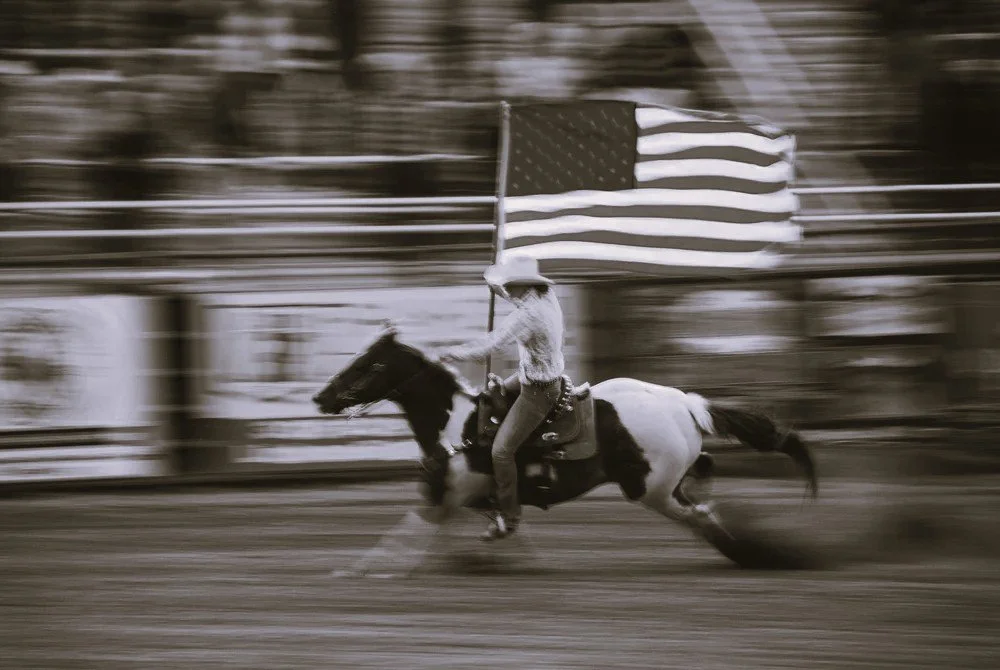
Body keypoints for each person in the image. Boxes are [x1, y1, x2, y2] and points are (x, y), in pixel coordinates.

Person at [438, 255, 566, 541]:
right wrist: (494, 283)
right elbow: (508, 295)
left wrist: (452, 353)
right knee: (489, 398)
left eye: (509, 285)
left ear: (521, 284)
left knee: (502, 451)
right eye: (504, 285)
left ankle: (509, 517)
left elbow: (491, 345)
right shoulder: (545, 297)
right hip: (533, 377)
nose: (506, 290)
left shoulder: (528, 315)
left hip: (538, 390)